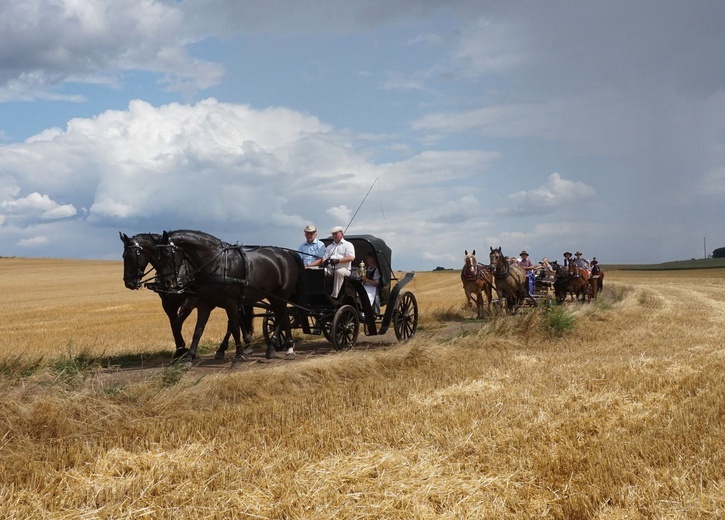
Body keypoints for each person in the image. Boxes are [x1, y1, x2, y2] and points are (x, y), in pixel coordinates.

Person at [322, 226, 355, 298]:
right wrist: (325, 262)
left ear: (342, 234)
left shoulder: (348, 245)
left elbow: (351, 257)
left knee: (339, 272)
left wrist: (338, 260)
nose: (334, 236)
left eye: (336, 234)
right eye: (333, 234)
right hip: (330, 269)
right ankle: (321, 292)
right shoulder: (329, 247)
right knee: (321, 271)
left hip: (344, 269)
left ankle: (334, 296)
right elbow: (324, 258)